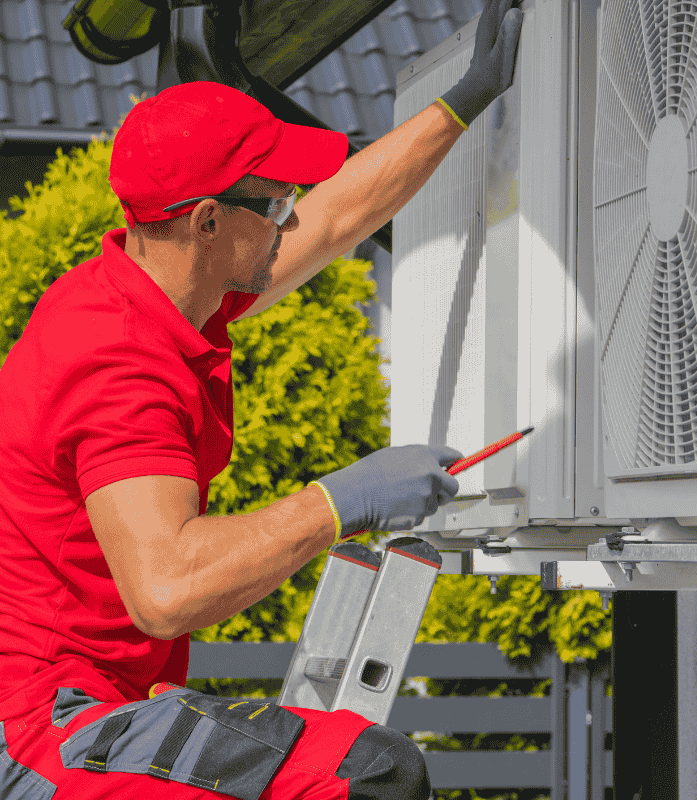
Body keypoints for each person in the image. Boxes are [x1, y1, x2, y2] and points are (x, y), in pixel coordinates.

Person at [0, 1, 523, 798]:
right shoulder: (116, 364)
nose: (289, 213)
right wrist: (342, 501)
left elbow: (340, 213)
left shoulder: (165, 287)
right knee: (370, 776)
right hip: (46, 727)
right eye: (274, 200)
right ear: (209, 221)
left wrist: (460, 104)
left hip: (93, 700)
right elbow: (167, 589)